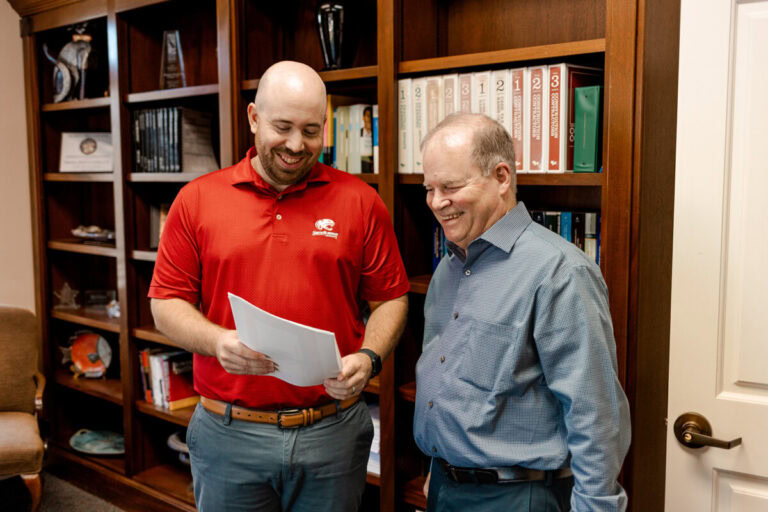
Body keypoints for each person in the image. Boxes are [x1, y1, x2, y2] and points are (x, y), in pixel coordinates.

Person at [149, 61, 409, 512]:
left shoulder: (361, 201)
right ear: (253, 118)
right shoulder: (196, 200)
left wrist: (369, 358)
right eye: (282, 127)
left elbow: (390, 298)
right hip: (229, 434)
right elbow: (166, 303)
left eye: (311, 130)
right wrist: (217, 341)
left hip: (332, 432)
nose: (296, 145)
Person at [413, 113, 630, 512]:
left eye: (451, 186)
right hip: (445, 486)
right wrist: (438, 464)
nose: (435, 202)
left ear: (501, 177)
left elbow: (594, 414)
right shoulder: (448, 268)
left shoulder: (559, 271)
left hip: (517, 497)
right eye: (429, 188)